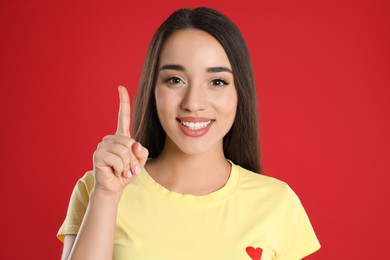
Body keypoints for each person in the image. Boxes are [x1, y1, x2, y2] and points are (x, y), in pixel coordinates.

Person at [57, 7, 320, 260]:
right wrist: (106, 197)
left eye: (217, 82)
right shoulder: (98, 188)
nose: (193, 102)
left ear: (240, 93)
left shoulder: (276, 203)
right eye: (175, 80)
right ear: (153, 89)